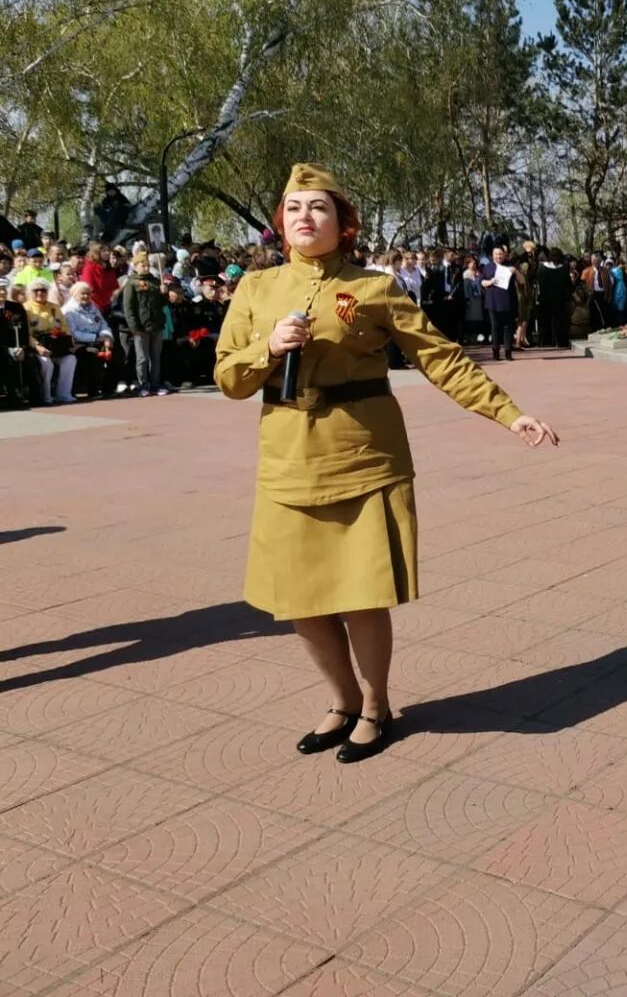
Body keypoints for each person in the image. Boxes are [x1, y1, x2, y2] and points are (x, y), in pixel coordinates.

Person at [214, 164, 560, 763]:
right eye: (293, 207)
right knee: (298, 599)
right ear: (281, 221)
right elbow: (227, 378)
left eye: (318, 207)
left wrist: (510, 414)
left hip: (363, 458)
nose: (304, 217)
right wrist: (267, 347)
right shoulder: (254, 290)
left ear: (342, 223)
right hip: (289, 462)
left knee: (359, 595)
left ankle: (375, 707)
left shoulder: (374, 288)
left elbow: (441, 358)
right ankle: (341, 700)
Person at [122, 252, 169, 396]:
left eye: (147, 265)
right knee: (142, 357)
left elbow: (162, 304)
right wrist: (134, 327)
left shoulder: (154, 281)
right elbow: (128, 307)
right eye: (143, 265)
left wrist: (164, 293)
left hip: (156, 324)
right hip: (141, 326)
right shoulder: (131, 283)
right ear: (135, 266)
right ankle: (143, 384)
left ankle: (155, 384)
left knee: (156, 357)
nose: (146, 267)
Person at [63, 281, 114, 399]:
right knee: (92, 355)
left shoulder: (93, 307)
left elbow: (103, 324)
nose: (86, 296)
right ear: (74, 295)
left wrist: (106, 336)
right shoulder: (68, 311)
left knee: (116, 353)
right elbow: (74, 332)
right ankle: (93, 390)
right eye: (83, 294)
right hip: (78, 344)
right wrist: (96, 338)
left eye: (88, 294)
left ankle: (109, 387)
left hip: (97, 340)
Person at [25, 279, 73, 404]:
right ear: (32, 292)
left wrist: (68, 341)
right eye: (37, 290)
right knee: (46, 363)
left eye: (43, 290)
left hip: (56, 344)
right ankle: (46, 395)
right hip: (39, 346)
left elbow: (65, 326)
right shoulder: (26, 308)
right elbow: (26, 333)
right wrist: (37, 346)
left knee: (70, 360)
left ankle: (63, 394)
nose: (40, 293)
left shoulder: (54, 307)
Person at [480, 245, 517, 360]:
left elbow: (522, 281)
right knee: (495, 327)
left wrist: (516, 272)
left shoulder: (510, 266)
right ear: (492, 255)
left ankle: (508, 351)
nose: (498, 256)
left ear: (504, 255)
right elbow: (482, 282)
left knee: (508, 327)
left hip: (508, 300)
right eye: (496, 254)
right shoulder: (488, 267)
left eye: (500, 254)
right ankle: (495, 351)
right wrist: (490, 282)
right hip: (493, 301)